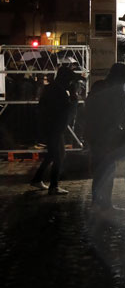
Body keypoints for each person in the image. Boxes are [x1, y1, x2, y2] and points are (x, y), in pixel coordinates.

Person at [84, 62, 125, 214]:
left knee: (99, 172)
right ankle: (105, 204)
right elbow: (123, 115)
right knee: (108, 172)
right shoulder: (117, 92)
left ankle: (98, 203)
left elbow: (88, 109)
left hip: (95, 135)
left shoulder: (98, 86)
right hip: (108, 137)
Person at [30, 64, 78, 194]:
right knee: (58, 156)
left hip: (52, 128)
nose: (70, 83)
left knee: (54, 154)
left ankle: (38, 179)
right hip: (54, 129)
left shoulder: (51, 88)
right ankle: (53, 186)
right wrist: (73, 99)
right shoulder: (59, 91)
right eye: (70, 80)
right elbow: (66, 111)